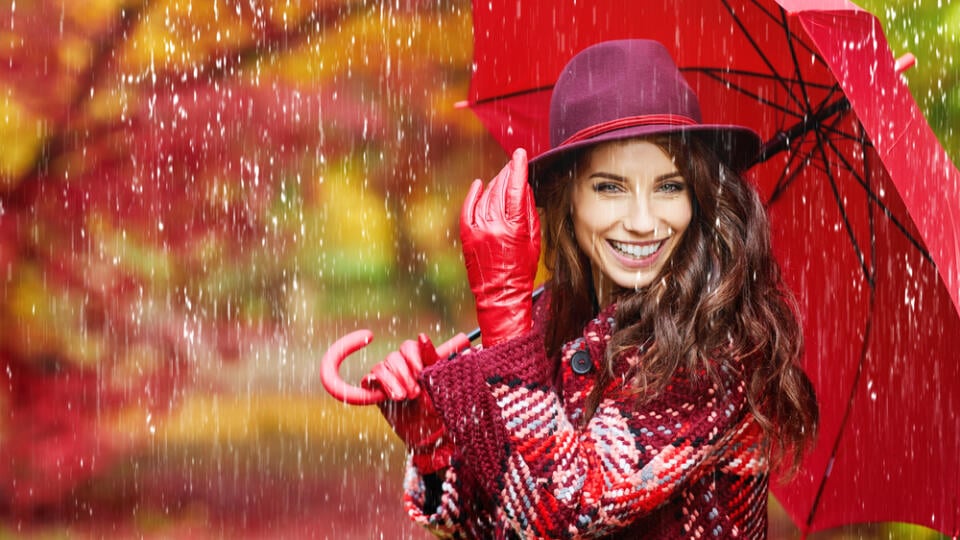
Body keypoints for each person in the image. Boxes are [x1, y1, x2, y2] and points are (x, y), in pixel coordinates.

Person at [362, 39, 819, 538]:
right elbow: (497, 526)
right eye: (610, 187)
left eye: (670, 185)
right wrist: (437, 447)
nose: (645, 222)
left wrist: (502, 311)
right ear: (568, 197)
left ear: (698, 195)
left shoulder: (718, 348)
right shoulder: (550, 320)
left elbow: (561, 516)